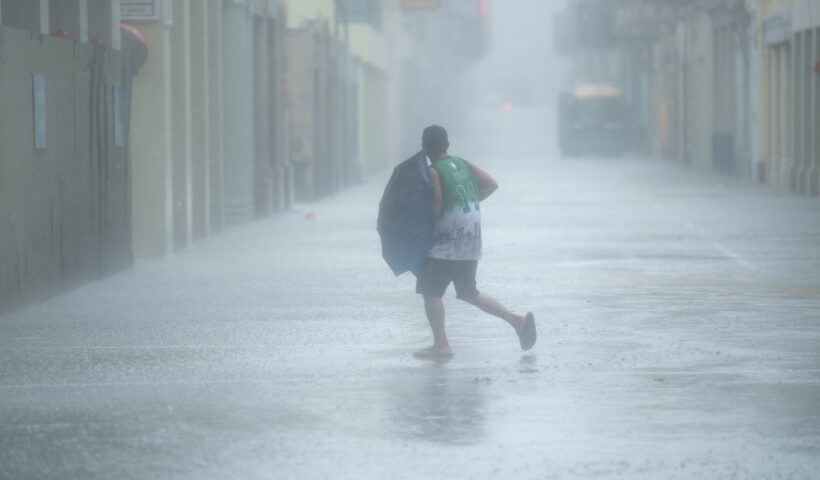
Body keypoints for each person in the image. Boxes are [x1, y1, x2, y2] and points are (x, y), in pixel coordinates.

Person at [413, 125, 536, 358]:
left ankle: (441, 345)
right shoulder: (462, 163)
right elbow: (491, 184)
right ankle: (518, 321)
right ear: (447, 144)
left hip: (447, 243)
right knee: (469, 292)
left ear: (425, 147)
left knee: (431, 291)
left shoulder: (434, 171)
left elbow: (437, 209)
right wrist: (469, 203)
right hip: (471, 239)